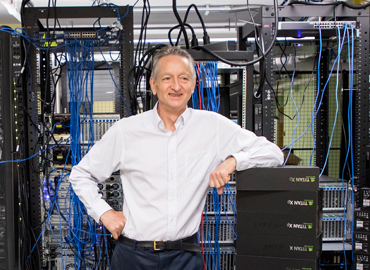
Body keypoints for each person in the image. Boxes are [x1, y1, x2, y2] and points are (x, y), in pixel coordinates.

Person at [69, 45, 284, 270]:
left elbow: (273, 153)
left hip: (185, 256)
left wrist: (233, 161)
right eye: (167, 78)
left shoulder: (213, 127)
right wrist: (104, 213)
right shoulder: (125, 131)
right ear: (153, 84)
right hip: (133, 256)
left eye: (183, 78)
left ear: (193, 85)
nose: (176, 86)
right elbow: (81, 175)